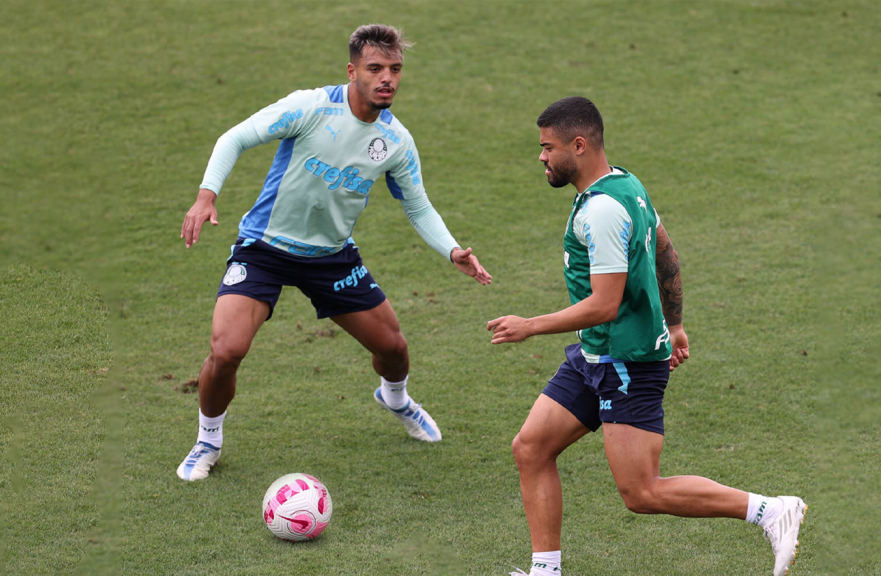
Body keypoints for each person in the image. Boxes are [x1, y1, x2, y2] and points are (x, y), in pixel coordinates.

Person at [487, 97, 805, 576]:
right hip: (595, 355)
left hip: (627, 363)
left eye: (547, 147)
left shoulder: (601, 211)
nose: (542, 157)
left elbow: (604, 303)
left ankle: (771, 511)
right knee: (531, 447)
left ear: (579, 144)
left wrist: (529, 325)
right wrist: (674, 324)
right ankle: (545, 571)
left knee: (642, 492)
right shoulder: (626, 184)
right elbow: (664, 248)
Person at [176, 24, 491, 482]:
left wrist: (452, 251)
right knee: (226, 350)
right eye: (376, 68)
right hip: (265, 249)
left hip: (331, 257)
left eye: (396, 69)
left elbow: (417, 205)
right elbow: (235, 137)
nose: (388, 78)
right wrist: (207, 195)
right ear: (352, 70)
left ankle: (396, 398)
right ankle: (208, 439)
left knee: (394, 348)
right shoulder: (310, 106)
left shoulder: (396, 142)